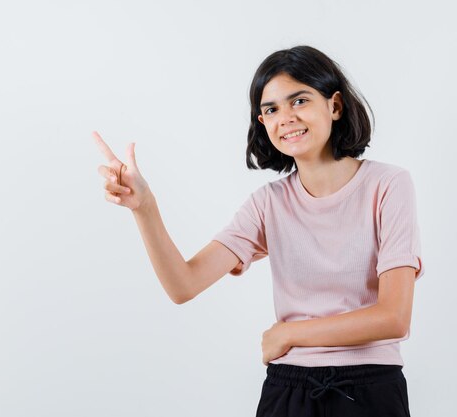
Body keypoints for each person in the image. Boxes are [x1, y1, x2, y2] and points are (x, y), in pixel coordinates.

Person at [94, 45, 424, 417]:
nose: (285, 117)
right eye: (271, 109)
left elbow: (393, 317)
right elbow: (183, 285)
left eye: (299, 100)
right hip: (288, 390)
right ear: (263, 123)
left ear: (334, 106)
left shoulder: (388, 185)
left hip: (371, 389)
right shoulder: (268, 203)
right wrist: (145, 208)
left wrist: (290, 334)